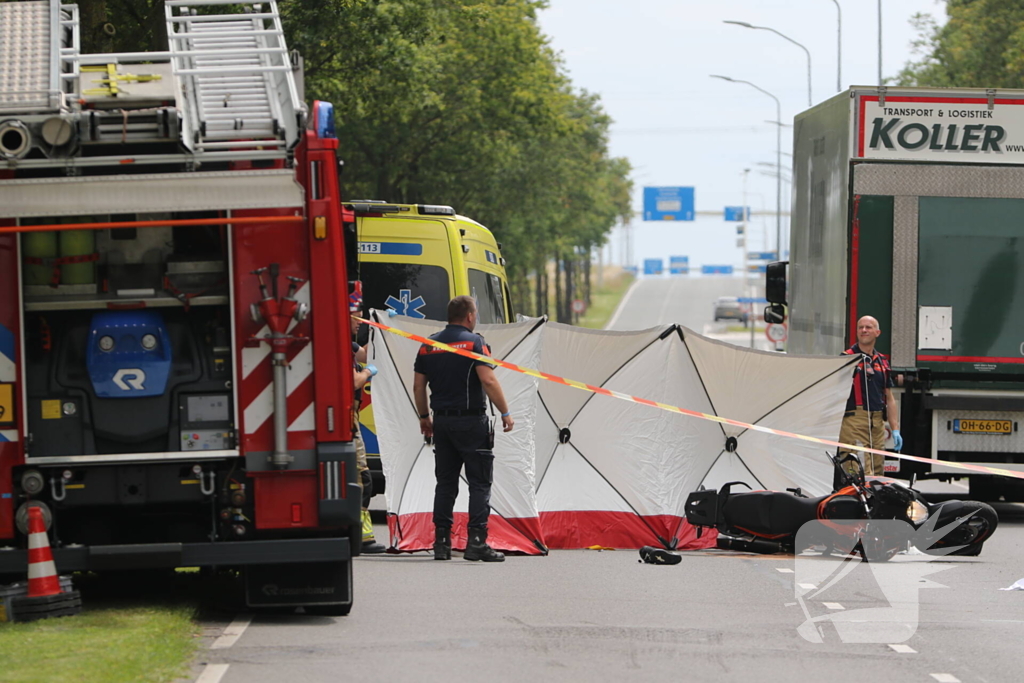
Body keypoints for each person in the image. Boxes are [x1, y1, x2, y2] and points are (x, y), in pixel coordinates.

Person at [412, 295, 514, 562]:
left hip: (442, 422)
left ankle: (441, 543)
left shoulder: (428, 345)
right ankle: (477, 542)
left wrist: (424, 417)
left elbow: (418, 386)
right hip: (471, 422)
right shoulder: (474, 342)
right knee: (479, 483)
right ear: (469, 316)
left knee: (445, 483)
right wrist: (505, 412)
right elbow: (488, 380)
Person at [839, 316, 901, 476]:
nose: (864, 330)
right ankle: (853, 500)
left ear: (877, 332)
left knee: (878, 469)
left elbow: (889, 397)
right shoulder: (847, 357)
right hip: (854, 420)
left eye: (868, 327)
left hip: (877, 421)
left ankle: (874, 501)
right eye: (860, 327)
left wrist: (895, 429)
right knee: (857, 469)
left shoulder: (882, 362)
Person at [350, 288, 386, 554]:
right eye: (356, 317)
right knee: (362, 479)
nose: (360, 322)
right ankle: (362, 537)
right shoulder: (336, 341)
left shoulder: (345, 342)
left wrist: (383, 329)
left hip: (349, 420)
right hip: (346, 423)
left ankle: (359, 534)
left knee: (361, 478)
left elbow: (363, 354)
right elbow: (354, 379)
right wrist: (368, 373)